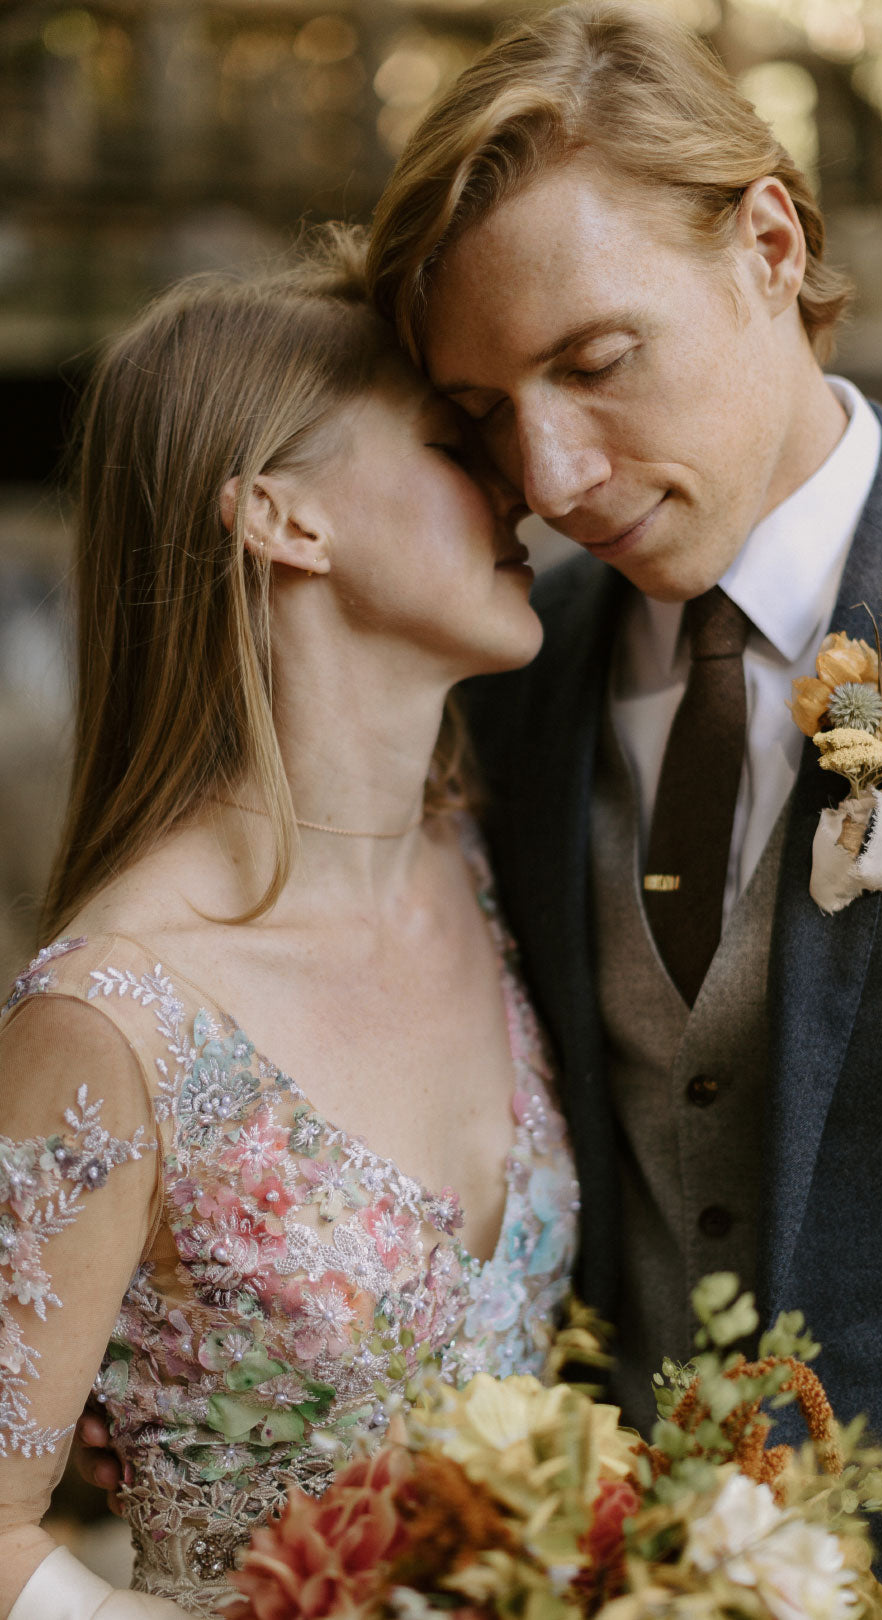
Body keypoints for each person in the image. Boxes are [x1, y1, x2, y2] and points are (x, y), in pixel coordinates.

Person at [358, 5, 882, 1616]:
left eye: (594, 362)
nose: (547, 472)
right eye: (483, 413)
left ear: (768, 241)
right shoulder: (509, 711)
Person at [0, 231, 578, 1618]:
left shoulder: (490, 860)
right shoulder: (118, 1017)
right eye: (458, 441)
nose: (531, 482)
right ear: (284, 518)